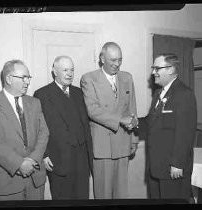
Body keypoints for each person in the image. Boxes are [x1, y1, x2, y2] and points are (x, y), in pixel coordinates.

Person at [80, 42, 139, 199]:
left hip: (123, 142)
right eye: (113, 60)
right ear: (102, 58)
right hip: (102, 146)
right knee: (103, 194)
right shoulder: (89, 79)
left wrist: (133, 140)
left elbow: (132, 110)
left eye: (120, 60)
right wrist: (120, 119)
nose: (117, 64)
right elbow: (93, 110)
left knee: (121, 194)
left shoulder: (127, 77)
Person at [138, 53, 197, 201]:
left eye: (157, 68)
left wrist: (177, 163)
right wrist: (134, 122)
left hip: (173, 168)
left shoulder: (184, 94)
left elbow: (186, 132)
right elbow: (152, 121)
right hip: (156, 166)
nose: (153, 72)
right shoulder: (158, 93)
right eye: (153, 68)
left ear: (170, 69)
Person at [34, 56, 93, 200]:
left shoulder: (79, 93)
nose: (69, 74)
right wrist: (44, 154)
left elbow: (86, 126)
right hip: (58, 159)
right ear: (54, 71)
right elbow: (38, 128)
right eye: (65, 70)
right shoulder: (42, 94)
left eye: (72, 70)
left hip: (82, 161)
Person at [0, 60, 49, 200]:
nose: (27, 82)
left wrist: (33, 159)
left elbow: (44, 133)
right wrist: (19, 164)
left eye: (28, 77)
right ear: (9, 79)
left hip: (35, 181)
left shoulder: (34, 102)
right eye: (23, 77)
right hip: (6, 183)